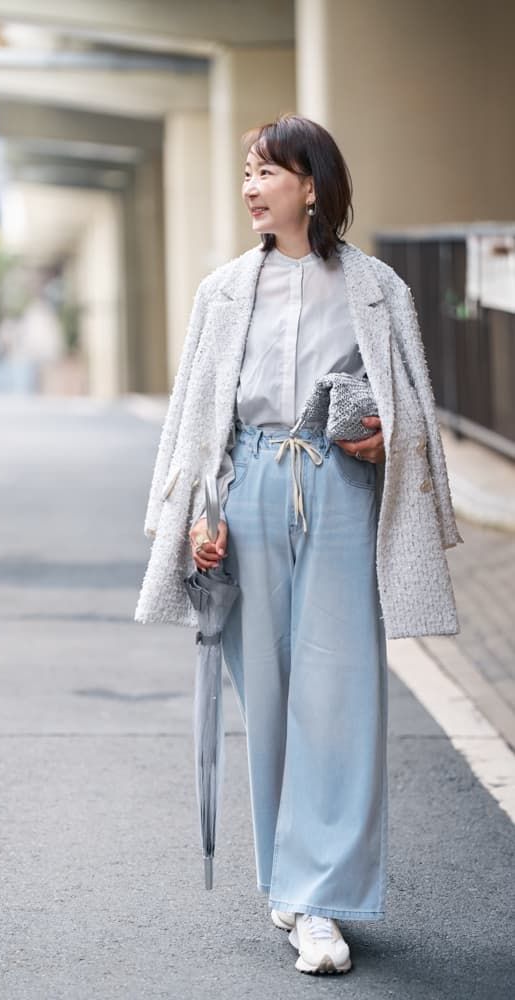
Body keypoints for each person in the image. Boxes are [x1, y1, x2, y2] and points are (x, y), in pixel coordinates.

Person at [135, 113, 462, 976]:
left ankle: (318, 902)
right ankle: (289, 875)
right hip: (248, 486)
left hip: (338, 489)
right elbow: (198, 415)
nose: (251, 187)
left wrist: (385, 438)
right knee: (270, 695)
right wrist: (202, 514)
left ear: (311, 186)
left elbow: (411, 404)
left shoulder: (376, 287)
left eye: (267, 172)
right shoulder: (222, 290)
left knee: (339, 696)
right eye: (246, 172)